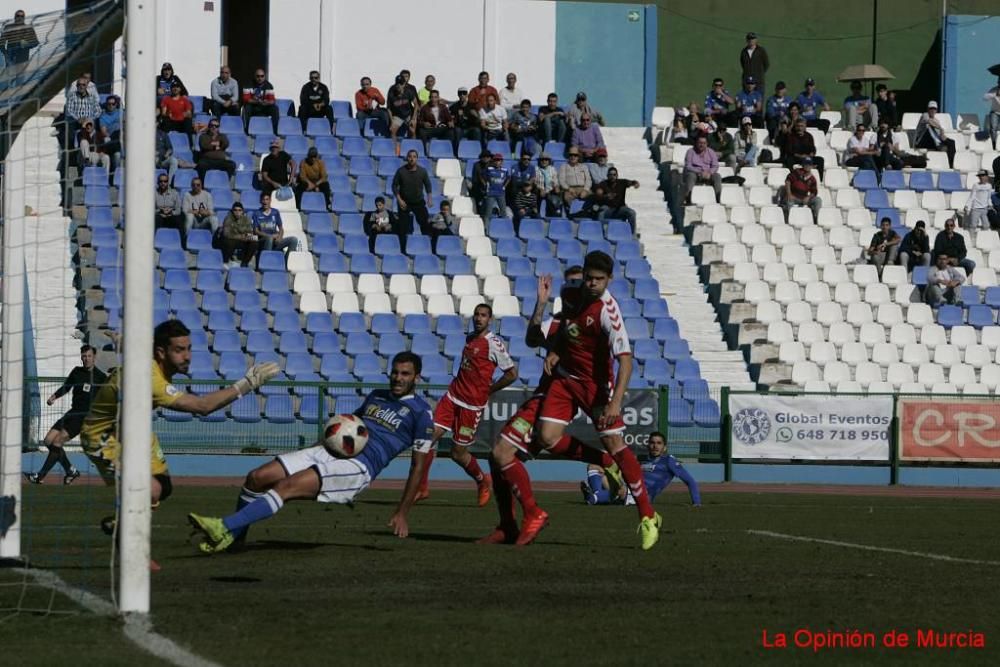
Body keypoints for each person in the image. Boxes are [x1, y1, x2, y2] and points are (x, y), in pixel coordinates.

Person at [188, 352, 434, 553]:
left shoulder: (421, 413)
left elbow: (418, 466)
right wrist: (317, 447)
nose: (398, 378)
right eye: (395, 372)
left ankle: (222, 526)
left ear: (416, 378)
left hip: (358, 467)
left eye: (405, 374)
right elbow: (347, 424)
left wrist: (402, 511)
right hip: (330, 451)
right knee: (257, 477)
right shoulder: (377, 395)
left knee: (286, 486)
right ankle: (235, 540)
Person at [81, 320, 278, 566]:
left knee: (163, 487)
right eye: (179, 350)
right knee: (149, 489)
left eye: (188, 348)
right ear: (161, 352)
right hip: (103, 436)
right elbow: (203, 407)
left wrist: (122, 342)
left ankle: (122, 523)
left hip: (135, 432)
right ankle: (131, 551)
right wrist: (247, 384)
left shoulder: (152, 363)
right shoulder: (150, 380)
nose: (187, 356)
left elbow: (137, 350)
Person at [506, 252, 661, 548]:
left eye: (599, 280)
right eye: (589, 277)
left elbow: (626, 363)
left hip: (596, 388)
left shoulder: (608, 311)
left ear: (609, 280)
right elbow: (541, 336)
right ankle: (603, 462)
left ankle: (647, 516)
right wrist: (550, 332)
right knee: (547, 437)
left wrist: (615, 404)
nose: (592, 283)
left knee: (616, 445)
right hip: (565, 380)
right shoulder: (571, 296)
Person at [480, 268, 622, 545]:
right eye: (569, 283)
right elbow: (533, 339)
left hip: (553, 399)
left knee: (501, 451)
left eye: (578, 282)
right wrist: (541, 303)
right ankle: (508, 526)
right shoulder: (558, 321)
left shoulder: (595, 322)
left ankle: (533, 512)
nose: (573, 287)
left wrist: (563, 353)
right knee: (498, 460)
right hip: (542, 396)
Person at [413, 304, 517, 503]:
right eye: (476, 315)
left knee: (457, 453)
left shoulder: (493, 343)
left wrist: (489, 390)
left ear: (490, 319)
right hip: (452, 398)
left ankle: (482, 480)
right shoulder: (470, 338)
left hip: (471, 407)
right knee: (426, 439)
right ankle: (422, 487)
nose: (479, 319)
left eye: (483, 315)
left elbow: (512, 374)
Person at [24, 345, 107, 485]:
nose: (86, 359)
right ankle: (70, 470)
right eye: (84, 356)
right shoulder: (77, 371)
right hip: (72, 413)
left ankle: (40, 476)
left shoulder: (100, 377)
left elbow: (105, 400)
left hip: (84, 418)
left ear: (94, 357)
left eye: (89, 356)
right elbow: (67, 386)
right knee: (48, 441)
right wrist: (54, 396)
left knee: (57, 443)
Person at [582, 432, 701, 507]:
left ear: (664, 447)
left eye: (659, 443)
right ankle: (597, 494)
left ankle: (594, 497)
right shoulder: (641, 459)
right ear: (648, 445)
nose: (655, 446)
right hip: (628, 488)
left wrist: (696, 502)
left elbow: (690, 481)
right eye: (652, 443)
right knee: (594, 467)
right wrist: (609, 470)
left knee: (620, 490)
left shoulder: (669, 461)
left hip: (643, 496)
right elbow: (621, 467)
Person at [392, 149, 433, 252]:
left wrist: (429, 199)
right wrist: (399, 200)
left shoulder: (422, 171)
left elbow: (428, 185)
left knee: (425, 224)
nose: (412, 159)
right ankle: (402, 249)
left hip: (418, 202)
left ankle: (428, 247)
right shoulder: (401, 171)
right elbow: (394, 186)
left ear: (417, 158)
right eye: (410, 156)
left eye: (414, 156)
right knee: (403, 227)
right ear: (407, 158)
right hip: (404, 202)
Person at [253, 192, 298, 262]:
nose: (265, 202)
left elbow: (281, 228)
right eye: (263, 200)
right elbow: (256, 231)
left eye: (267, 199)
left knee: (293, 240)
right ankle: (266, 262)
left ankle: (286, 262)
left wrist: (280, 237)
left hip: (275, 240)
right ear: (260, 201)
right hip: (263, 241)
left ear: (270, 200)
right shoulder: (257, 213)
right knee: (269, 239)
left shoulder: (275, 212)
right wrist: (269, 236)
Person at [915, 101, 955, 168]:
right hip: (921, 141)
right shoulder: (925, 115)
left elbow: (940, 134)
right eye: (931, 108)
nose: (933, 110)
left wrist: (943, 135)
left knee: (952, 143)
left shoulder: (936, 121)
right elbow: (930, 122)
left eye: (934, 109)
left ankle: (951, 164)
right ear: (928, 109)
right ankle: (938, 145)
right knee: (929, 126)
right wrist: (940, 128)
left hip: (931, 141)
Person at [682, 135, 721, 204]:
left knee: (717, 176)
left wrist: (710, 173)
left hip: (708, 174)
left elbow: (715, 165)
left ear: (707, 144)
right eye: (700, 143)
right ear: (696, 143)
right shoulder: (690, 151)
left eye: (704, 143)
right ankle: (688, 198)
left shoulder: (711, 152)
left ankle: (718, 198)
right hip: (695, 173)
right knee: (690, 176)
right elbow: (688, 166)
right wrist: (699, 172)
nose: (702, 145)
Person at [780, 159, 822, 224]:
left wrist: (808, 197)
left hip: (803, 198)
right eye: (806, 164)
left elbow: (814, 192)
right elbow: (787, 181)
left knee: (818, 200)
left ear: (812, 166)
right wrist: (789, 194)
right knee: (789, 201)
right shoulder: (796, 172)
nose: (807, 166)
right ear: (803, 165)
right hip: (794, 196)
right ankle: (789, 222)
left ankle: (816, 220)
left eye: (809, 164)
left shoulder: (812, 178)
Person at [0, 9, 38, 79]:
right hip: (10, 57)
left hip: (22, 58)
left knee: (20, 80)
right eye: (18, 16)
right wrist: (6, 54)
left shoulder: (29, 28)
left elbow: (36, 42)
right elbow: (1, 43)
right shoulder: (8, 27)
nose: (20, 17)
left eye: (22, 16)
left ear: (24, 17)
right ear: (15, 17)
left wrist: (26, 44)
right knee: (8, 80)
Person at [196, 119, 235, 183]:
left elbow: (226, 144)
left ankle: (224, 182)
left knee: (232, 164)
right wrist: (217, 145)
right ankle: (203, 184)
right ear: (208, 126)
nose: (214, 127)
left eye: (216, 126)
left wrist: (211, 144)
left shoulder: (222, 136)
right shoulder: (203, 136)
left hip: (220, 161)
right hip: (207, 160)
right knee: (201, 164)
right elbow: (204, 145)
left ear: (218, 128)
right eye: (212, 125)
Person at [220, 202, 258, 267]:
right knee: (228, 241)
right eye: (235, 210)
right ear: (232, 211)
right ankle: (226, 261)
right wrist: (240, 236)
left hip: (243, 239)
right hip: (232, 239)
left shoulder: (246, 219)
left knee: (255, 241)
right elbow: (226, 234)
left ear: (242, 211)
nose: (237, 212)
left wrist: (248, 236)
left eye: (239, 210)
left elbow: (250, 231)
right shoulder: (228, 218)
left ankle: (245, 262)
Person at [242, 68, 279, 133]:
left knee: (275, 108)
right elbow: (246, 99)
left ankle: (275, 130)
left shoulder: (268, 85)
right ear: (254, 76)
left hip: (264, 107)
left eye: (262, 76)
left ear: (265, 76)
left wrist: (267, 102)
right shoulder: (248, 84)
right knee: (247, 107)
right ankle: (247, 130)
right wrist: (258, 101)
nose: (260, 78)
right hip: (253, 107)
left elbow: (272, 101)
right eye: (258, 76)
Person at [295, 147, 332, 211]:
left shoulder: (320, 162)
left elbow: (324, 177)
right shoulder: (303, 162)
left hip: (318, 181)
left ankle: (327, 205)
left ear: (317, 156)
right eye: (311, 156)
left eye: (314, 156)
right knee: (299, 188)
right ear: (308, 156)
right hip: (307, 181)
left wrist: (315, 185)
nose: (313, 158)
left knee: (326, 185)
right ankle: (298, 206)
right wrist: (310, 184)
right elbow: (302, 176)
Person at [480, 153, 511, 221]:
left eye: (499, 160)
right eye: (495, 160)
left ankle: (503, 229)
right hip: (491, 193)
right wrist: (485, 184)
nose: (497, 162)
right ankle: (486, 230)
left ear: (501, 161)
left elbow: (509, 178)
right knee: (488, 213)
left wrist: (504, 186)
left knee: (503, 213)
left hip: (501, 193)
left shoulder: (505, 170)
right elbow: (481, 176)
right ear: (493, 161)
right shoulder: (489, 169)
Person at [387, 74, 417, 141]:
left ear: (404, 84)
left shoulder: (409, 91)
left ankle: (413, 146)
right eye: (397, 83)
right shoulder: (391, 92)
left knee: (412, 130)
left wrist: (413, 118)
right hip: (397, 115)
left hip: (408, 114)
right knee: (392, 130)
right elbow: (388, 108)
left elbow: (416, 105)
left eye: (401, 84)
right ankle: (394, 147)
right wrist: (392, 120)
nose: (398, 85)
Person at [154, 174, 185, 238]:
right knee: (155, 218)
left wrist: (171, 212)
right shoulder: (154, 194)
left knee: (180, 217)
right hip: (159, 216)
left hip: (171, 216)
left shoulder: (175, 193)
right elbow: (150, 209)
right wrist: (160, 211)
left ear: (168, 182)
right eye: (161, 181)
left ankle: (182, 243)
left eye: (165, 181)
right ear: (158, 182)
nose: (163, 183)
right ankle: (154, 242)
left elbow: (178, 209)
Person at [534, 152, 561, 216]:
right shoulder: (536, 169)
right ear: (539, 161)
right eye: (542, 159)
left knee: (556, 194)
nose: (544, 161)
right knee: (537, 195)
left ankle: (554, 214)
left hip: (550, 190)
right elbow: (534, 182)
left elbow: (555, 180)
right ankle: (537, 213)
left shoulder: (552, 169)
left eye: (546, 159)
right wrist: (540, 189)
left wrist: (556, 186)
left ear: (549, 161)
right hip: (539, 190)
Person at [985, 77, 1000, 148]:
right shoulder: (994, 90)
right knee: (993, 128)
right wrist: (994, 94)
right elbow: (985, 97)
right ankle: (993, 143)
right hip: (995, 112)